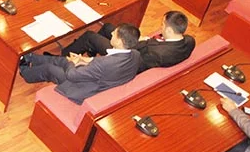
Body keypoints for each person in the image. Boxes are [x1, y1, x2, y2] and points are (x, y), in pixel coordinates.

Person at [19, 23, 141, 104]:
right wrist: (82, 59)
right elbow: (101, 64)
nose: (112, 33)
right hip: (100, 80)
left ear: (119, 42)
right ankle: (32, 58)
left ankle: (25, 71)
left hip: (86, 89)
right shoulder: (135, 54)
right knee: (63, 60)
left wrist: (73, 62)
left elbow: (72, 75)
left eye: (115, 33)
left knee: (50, 69)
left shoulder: (104, 63)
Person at [60, 11, 196, 73]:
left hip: (124, 56)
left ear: (170, 30)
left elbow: (133, 62)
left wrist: (130, 43)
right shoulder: (189, 41)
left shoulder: (155, 54)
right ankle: (92, 50)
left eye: (163, 25)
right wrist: (146, 40)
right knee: (108, 27)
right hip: (138, 47)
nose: (161, 27)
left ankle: (62, 59)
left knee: (90, 36)